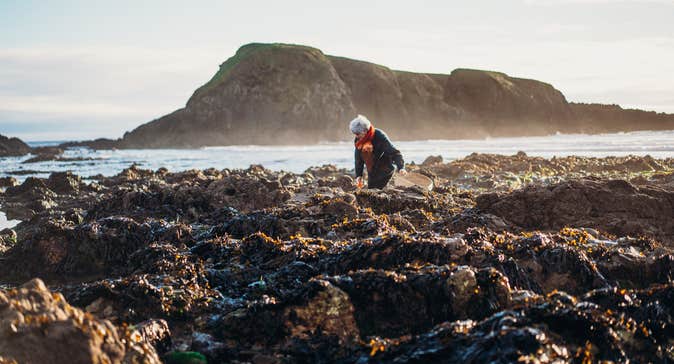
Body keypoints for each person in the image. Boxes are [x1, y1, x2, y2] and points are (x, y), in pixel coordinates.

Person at [350, 114, 406, 189]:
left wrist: (401, 167)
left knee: (379, 189)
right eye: (354, 133)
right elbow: (358, 160)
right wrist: (359, 176)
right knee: (371, 189)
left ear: (365, 130)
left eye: (357, 134)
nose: (356, 136)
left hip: (385, 166)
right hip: (372, 169)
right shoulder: (359, 141)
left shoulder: (379, 135)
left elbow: (394, 153)